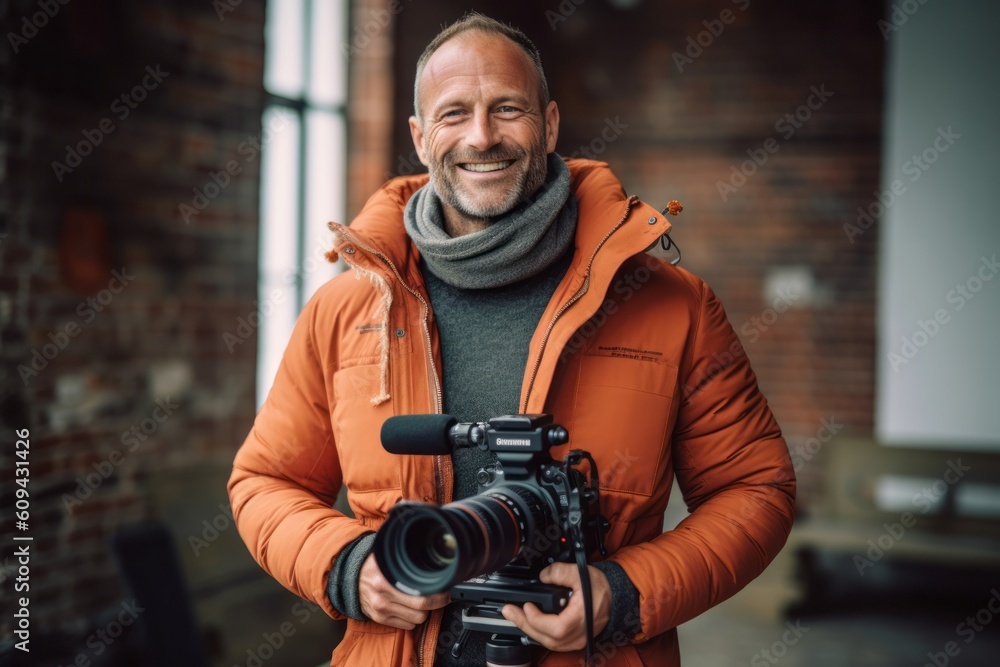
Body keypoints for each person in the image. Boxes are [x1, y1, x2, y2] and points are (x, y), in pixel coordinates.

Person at [228, 12, 795, 667]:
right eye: (453, 114)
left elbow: (757, 489)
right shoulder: (345, 308)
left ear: (550, 124)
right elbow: (265, 480)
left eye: (507, 108)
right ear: (419, 136)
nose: (482, 136)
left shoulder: (674, 305)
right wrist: (348, 564)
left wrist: (625, 591)